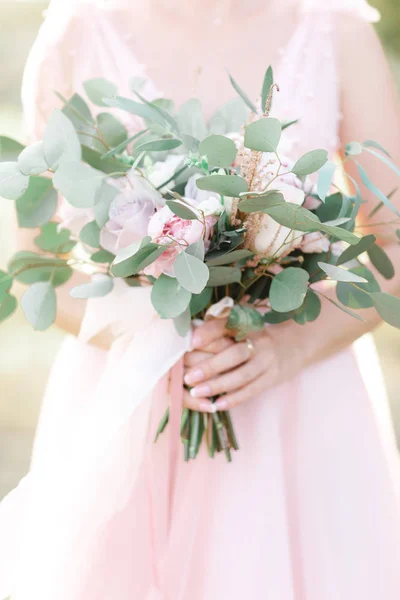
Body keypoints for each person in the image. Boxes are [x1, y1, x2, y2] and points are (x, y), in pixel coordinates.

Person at [1, 0, 400, 598]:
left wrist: (288, 347)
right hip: (130, 399)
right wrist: (161, 342)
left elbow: (390, 236)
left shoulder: (336, 31)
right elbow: (35, 267)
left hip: (300, 401)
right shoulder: (77, 32)